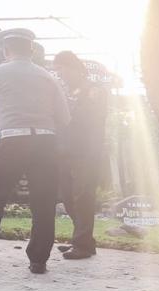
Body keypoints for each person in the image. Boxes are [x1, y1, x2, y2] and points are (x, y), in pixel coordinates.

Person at [0, 28, 70, 274]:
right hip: (45, 142)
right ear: (31, 50)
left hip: (12, 140)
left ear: (5, 50)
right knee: (44, 200)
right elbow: (65, 116)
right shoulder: (48, 76)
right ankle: (38, 259)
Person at [53, 51, 108, 260]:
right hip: (65, 152)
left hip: (86, 152)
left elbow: (94, 123)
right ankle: (84, 240)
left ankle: (82, 245)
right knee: (68, 198)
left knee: (83, 197)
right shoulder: (67, 91)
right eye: (58, 71)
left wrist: (93, 153)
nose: (61, 75)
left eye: (63, 70)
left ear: (75, 68)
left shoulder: (95, 91)